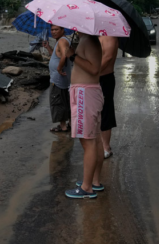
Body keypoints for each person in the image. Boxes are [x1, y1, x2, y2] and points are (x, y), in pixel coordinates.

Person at [64, 32, 104, 199]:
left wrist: (73, 56)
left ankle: (87, 188)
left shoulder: (90, 40)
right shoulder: (87, 40)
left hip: (84, 94)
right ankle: (93, 181)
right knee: (93, 139)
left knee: (88, 141)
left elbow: (94, 68)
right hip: (85, 93)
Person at [43, 26, 72, 133]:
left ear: (63, 30)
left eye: (56, 29)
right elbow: (57, 56)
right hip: (61, 79)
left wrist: (59, 68)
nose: (53, 32)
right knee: (64, 101)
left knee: (57, 102)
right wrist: (48, 48)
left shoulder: (62, 41)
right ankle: (69, 124)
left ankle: (63, 127)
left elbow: (64, 55)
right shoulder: (60, 41)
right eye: (52, 30)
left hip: (58, 80)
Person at [98, 36, 118, 159]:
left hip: (104, 78)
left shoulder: (109, 36)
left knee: (105, 111)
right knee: (97, 113)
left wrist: (94, 73)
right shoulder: (97, 36)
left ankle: (106, 147)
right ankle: (100, 143)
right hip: (96, 78)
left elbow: (108, 57)